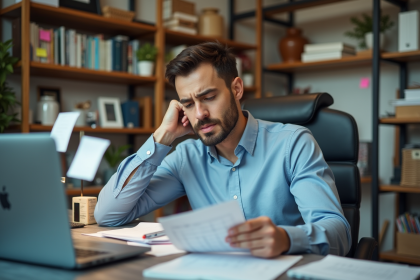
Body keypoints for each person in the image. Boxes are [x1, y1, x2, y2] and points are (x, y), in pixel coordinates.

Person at [94, 42, 351, 258]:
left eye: (208, 97)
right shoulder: (187, 158)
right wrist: (162, 137)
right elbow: (109, 215)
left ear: (236, 89)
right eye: (188, 104)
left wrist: (286, 238)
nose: (200, 114)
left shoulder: (293, 144)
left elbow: (339, 233)